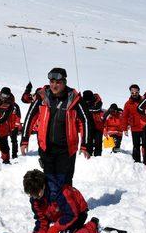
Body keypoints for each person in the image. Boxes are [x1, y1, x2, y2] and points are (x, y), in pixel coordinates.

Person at [20, 67, 93, 200]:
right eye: (52, 81)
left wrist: (85, 145)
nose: (54, 85)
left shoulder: (74, 98)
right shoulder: (42, 97)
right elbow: (30, 117)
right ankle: (54, 207)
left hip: (66, 149)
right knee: (50, 180)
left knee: (64, 181)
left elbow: (86, 121)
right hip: (46, 148)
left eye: (58, 82)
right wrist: (24, 140)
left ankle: (69, 208)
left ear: (64, 82)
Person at [23, 169, 98, 233]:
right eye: (32, 195)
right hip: (60, 215)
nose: (35, 197)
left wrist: (55, 228)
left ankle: (93, 226)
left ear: (43, 186)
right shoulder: (35, 198)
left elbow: (72, 214)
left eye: (37, 194)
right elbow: (41, 219)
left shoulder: (60, 192)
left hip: (77, 213)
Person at [122, 84, 146, 163]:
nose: (134, 94)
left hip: (144, 126)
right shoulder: (128, 104)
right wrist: (125, 128)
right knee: (136, 145)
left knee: (145, 145)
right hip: (135, 127)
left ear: (139, 91)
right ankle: (136, 161)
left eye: (136, 92)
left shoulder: (144, 100)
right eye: (132, 92)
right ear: (130, 92)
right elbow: (124, 116)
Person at [82, 90, 104, 157]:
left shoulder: (98, 101)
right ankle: (89, 156)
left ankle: (98, 157)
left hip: (98, 126)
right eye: (86, 101)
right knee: (89, 142)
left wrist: (87, 109)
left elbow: (96, 109)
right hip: (88, 127)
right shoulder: (83, 102)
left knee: (98, 143)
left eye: (88, 100)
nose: (87, 102)